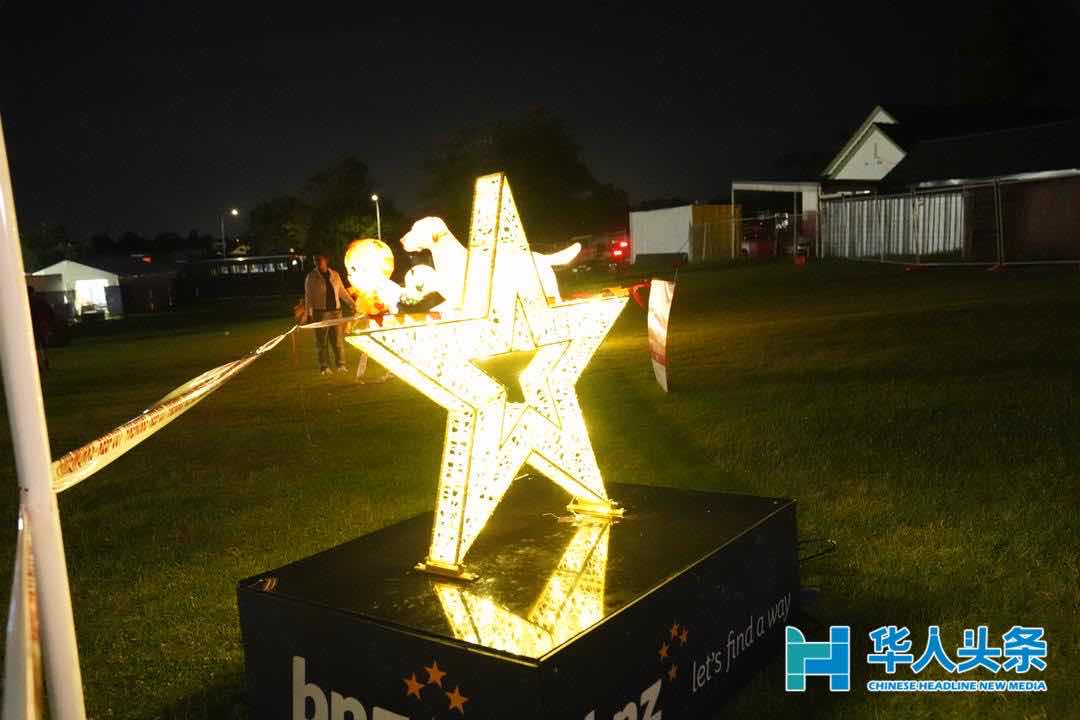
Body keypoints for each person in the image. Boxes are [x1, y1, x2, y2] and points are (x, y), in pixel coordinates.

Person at [304, 253, 356, 374]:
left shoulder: (335, 275)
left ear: (326, 260)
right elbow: (308, 297)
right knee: (322, 342)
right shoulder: (311, 277)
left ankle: (341, 365)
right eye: (315, 260)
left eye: (319, 259)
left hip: (336, 312)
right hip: (320, 313)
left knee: (337, 341)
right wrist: (308, 314)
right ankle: (324, 367)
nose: (317, 262)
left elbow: (342, 291)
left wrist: (352, 304)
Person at [27, 286, 55, 371]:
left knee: (36, 347)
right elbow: (50, 313)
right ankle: (46, 361)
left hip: (34, 327)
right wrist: (50, 324)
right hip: (43, 326)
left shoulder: (27, 303)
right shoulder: (41, 301)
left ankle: (38, 365)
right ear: (34, 292)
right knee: (44, 346)